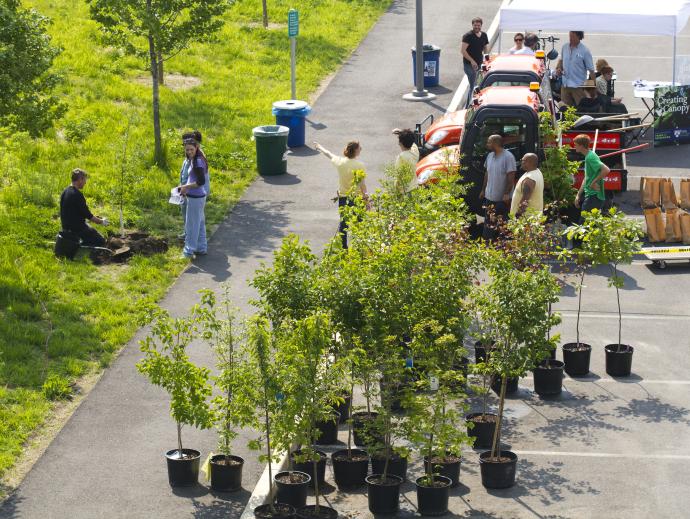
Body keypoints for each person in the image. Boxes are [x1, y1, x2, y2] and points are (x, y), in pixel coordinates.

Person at [314, 140, 369, 248]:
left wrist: (319, 147)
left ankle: (344, 248)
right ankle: (360, 247)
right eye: (359, 148)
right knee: (360, 224)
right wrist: (366, 200)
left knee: (344, 225)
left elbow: (328, 154)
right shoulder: (360, 165)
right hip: (357, 199)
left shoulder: (340, 162)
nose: (361, 149)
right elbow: (363, 186)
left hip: (343, 199)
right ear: (355, 151)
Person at [479, 135, 516, 240]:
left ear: (495, 143)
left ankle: (503, 246)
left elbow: (511, 177)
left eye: (489, 142)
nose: (487, 144)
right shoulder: (490, 156)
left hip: (501, 199)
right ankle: (487, 244)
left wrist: (506, 194)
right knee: (488, 222)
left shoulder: (508, 157)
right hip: (489, 197)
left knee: (502, 224)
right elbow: (487, 174)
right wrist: (483, 190)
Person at [59, 168, 108, 247]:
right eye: (85, 180)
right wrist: (102, 221)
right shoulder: (77, 195)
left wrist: (96, 218)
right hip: (76, 230)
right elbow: (88, 216)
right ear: (80, 179)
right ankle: (84, 251)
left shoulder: (65, 191)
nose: (85, 182)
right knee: (101, 241)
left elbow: (77, 212)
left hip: (66, 227)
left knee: (90, 230)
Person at [179, 135, 208, 258]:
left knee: (191, 226)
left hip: (195, 198)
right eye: (187, 150)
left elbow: (201, 181)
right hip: (199, 197)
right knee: (200, 223)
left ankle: (188, 251)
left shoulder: (197, 161)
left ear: (196, 147)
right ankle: (201, 248)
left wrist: (186, 187)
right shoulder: (194, 159)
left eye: (191, 149)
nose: (189, 152)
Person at [574, 134, 609, 217]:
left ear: (581, 146)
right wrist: (578, 195)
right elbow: (586, 177)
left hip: (594, 196)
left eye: (576, 145)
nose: (574, 147)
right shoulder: (588, 156)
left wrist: (593, 183)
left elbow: (606, 170)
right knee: (589, 224)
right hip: (591, 195)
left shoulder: (590, 157)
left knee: (584, 223)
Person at [556, 31, 595, 106]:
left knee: (581, 109)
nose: (570, 39)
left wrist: (592, 89)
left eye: (573, 37)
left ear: (579, 37)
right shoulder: (564, 47)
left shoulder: (585, 51)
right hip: (565, 86)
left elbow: (591, 70)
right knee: (565, 111)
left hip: (578, 87)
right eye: (570, 36)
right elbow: (561, 60)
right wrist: (558, 68)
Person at [461, 17, 489, 107]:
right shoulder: (468, 36)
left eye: (478, 25)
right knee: (474, 85)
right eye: (475, 25)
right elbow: (463, 51)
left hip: (480, 63)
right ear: (472, 25)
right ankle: (468, 107)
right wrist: (472, 61)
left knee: (479, 84)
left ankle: (477, 102)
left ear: (481, 25)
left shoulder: (484, 35)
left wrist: (486, 57)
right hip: (469, 65)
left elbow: (485, 47)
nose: (477, 27)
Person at [393, 128, 419, 193]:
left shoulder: (401, 157)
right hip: (414, 186)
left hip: (405, 190)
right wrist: (402, 133)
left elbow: (398, 176)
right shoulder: (415, 152)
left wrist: (396, 190)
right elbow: (412, 143)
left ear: (400, 143)